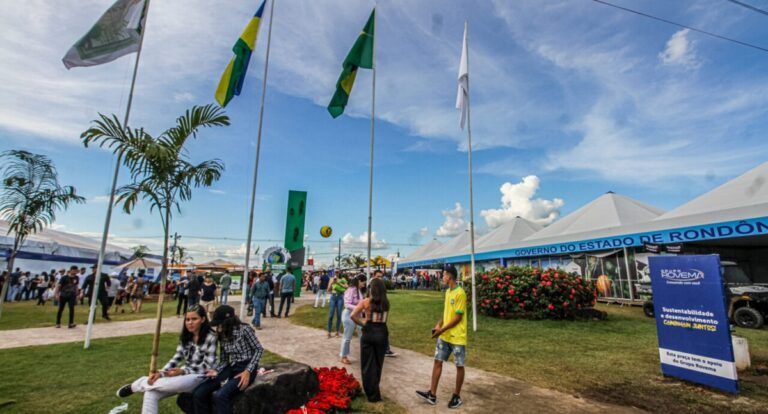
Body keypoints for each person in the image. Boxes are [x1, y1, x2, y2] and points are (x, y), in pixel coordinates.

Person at [116, 306, 218, 414]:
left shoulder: (211, 337)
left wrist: (183, 371)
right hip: (186, 372)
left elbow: (207, 366)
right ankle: (143, 384)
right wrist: (161, 373)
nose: (190, 323)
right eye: (187, 319)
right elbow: (177, 357)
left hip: (202, 376)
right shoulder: (186, 336)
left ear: (202, 319)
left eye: (194, 319)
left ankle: (137, 385)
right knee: (151, 392)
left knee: (177, 383)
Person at [193, 305, 264, 414]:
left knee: (220, 396)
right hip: (232, 367)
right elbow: (224, 360)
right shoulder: (222, 334)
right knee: (199, 392)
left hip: (246, 367)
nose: (218, 328)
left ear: (229, 322)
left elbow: (259, 349)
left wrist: (248, 371)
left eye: (220, 324)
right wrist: (216, 370)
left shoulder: (245, 330)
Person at [416, 265, 467, 409]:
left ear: (450, 276)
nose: (442, 277)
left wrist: (441, 330)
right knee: (437, 361)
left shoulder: (460, 293)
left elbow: (457, 318)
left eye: (443, 275)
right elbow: (447, 313)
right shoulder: (448, 292)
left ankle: (456, 396)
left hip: (457, 337)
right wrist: (439, 325)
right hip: (444, 336)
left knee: (459, 366)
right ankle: (432, 394)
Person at [350, 278, 389, 403]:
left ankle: (371, 393)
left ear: (371, 289)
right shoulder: (386, 303)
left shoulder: (366, 302)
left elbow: (353, 316)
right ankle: (375, 390)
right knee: (378, 363)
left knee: (367, 364)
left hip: (368, 332)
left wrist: (363, 324)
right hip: (382, 332)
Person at [340, 275, 364, 364]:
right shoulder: (350, 290)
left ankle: (365, 354)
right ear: (359, 281)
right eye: (363, 282)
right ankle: (344, 356)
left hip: (358, 316)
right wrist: (359, 307)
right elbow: (347, 304)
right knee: (347, 337)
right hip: (348, 316)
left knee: (363, 335)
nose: (364, 284)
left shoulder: (359, 291)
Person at [327, 274, 347, 338]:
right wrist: (332, 283)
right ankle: (329, 332)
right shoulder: (331, 279)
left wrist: (339, 283)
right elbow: (328, 290)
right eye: (335, 272)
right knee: (331, 315)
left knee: (339, 315)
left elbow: (347, 287)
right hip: (333, 297)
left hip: (340, 297)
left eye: (338, 272)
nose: (336, 273)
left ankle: (337, 332)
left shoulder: (343, 279)